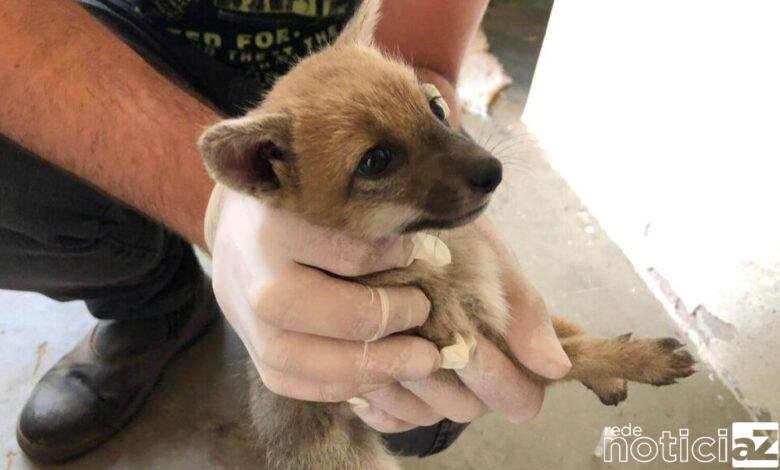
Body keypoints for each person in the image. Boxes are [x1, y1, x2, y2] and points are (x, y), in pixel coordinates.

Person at [0, 0, 572, 464]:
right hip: (119, 52)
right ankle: (154, 301)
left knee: (410, 408)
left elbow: (423, 64)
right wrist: (215, 208)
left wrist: (427, 165)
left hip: (341, 82)